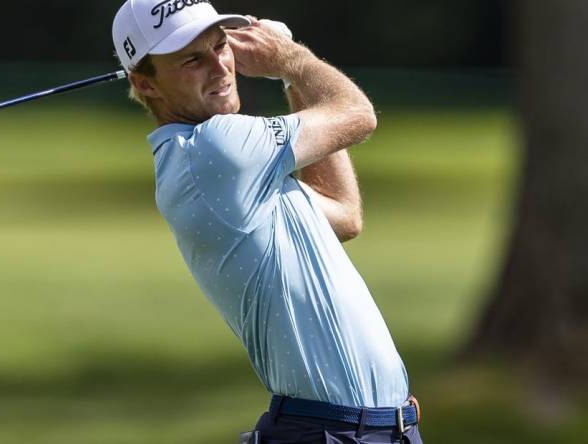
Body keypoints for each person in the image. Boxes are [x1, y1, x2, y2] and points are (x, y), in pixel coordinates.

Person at [112, 1, 423, 443]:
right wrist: (291, 59)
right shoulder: (216, 148)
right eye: (192, 59)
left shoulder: (217, 165)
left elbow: (343, 212)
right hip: (328, 432)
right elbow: (357, 114)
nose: (220, 67)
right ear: (146, 83)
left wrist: (289, 71)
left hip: (369, 430)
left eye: (220, 46)